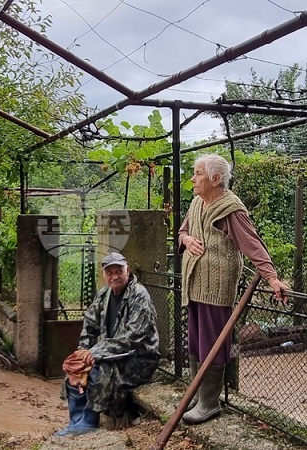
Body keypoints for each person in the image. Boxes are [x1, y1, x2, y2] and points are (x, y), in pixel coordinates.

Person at [178, 153, 288, 425]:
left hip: (216, 287)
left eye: (198, 174)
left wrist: (272, 278)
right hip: (193, 284)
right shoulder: (196, 204)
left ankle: (209, 402)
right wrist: (188, 239)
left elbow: (253, 244)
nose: (193, 179)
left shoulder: (231, 209)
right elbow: (181, 233)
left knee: (212, 343)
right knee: (195, 341)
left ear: (216, 179)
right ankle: (197, 393)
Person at [54, 252, 161, 436]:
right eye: (109, 272)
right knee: (77, 367)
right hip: (114, 353)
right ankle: (76, 420)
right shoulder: (104, 294)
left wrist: (95, 353)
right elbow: (89, 324)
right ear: (104, 275)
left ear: (127, 270)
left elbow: (133, 338)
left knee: (99, 368)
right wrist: (83, 352)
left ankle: (89, 419)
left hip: (140, 358)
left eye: (118, 271)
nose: (114, 276)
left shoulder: (139, 295)